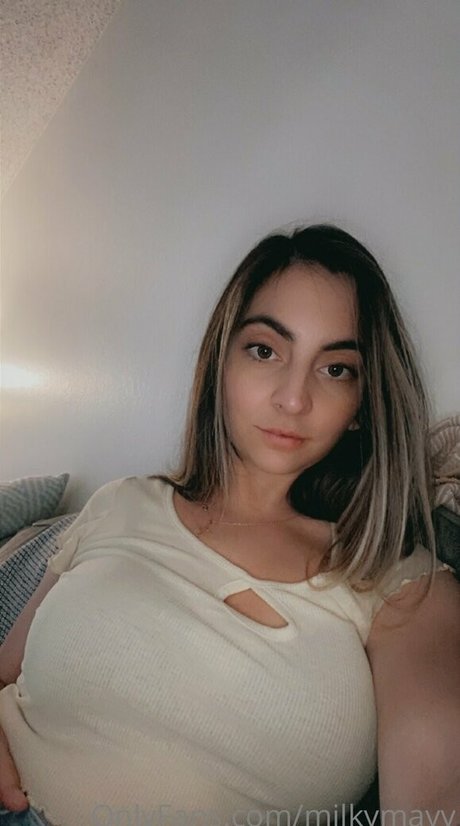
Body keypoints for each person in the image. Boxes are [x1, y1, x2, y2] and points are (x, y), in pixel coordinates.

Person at [0, 225, 459, 826]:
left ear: (361, 406)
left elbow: (437, 792)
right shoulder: (121, 503)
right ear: (221, 363)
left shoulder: (401, 583)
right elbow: (7, 668)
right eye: (265, 351)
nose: (293, 399)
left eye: (336, 368)